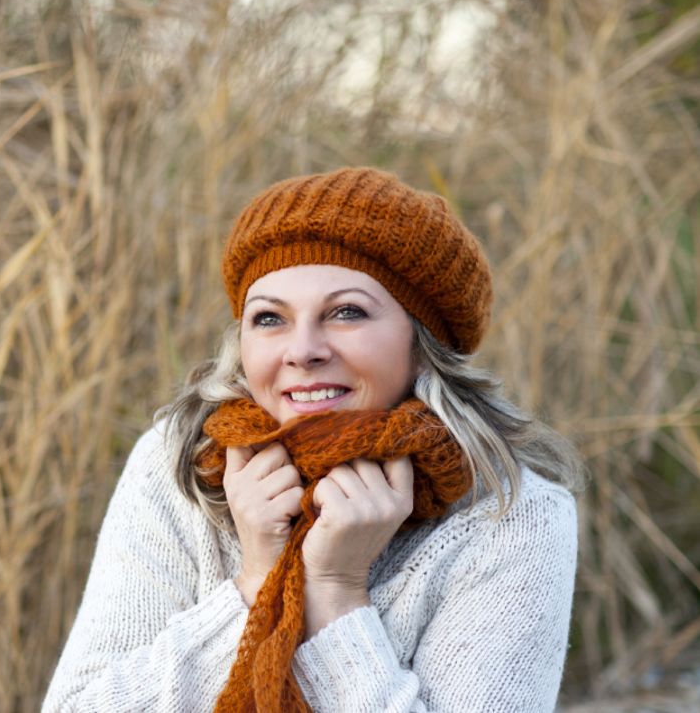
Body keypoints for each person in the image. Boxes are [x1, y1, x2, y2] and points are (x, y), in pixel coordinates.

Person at [42, 167, 583, 712]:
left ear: (423, 343)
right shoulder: (179, 464)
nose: (302, 350)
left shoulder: (511, 512)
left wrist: (337, 593)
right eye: (270, 318)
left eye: (346, 312)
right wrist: (254, 582)